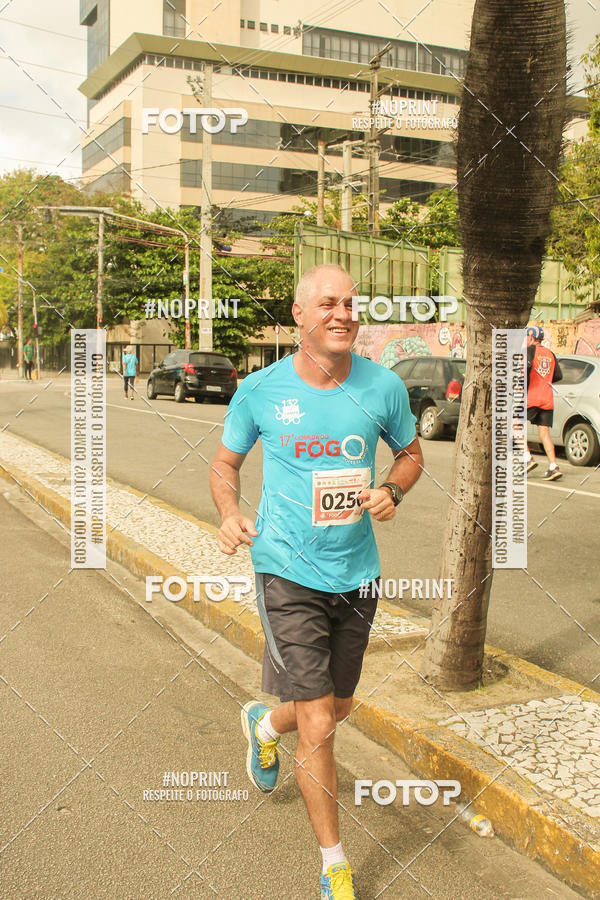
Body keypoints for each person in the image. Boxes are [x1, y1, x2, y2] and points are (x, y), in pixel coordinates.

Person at [209, 264, 423, 899]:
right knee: (322, 723)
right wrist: (229, 514)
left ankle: (266, 726)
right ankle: (335, 864)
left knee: (338, 705)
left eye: (351, 304)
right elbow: (225, 464)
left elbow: (411, 453)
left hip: (356, 573)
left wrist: (391, 490)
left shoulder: (384, 386)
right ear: (299, 315)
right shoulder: (261, 390)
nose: (343, 314)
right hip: (285, 570)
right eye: (328, 303)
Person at [525, 325, 563, 480]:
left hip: (531, 397)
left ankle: (527, 458)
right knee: (544, 433)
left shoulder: (529, 352)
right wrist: (544, 379)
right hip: (547, 399)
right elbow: (558, 376)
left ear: (532, 338)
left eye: (526, 337)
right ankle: (554, 466)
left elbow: (524, 369)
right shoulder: (550, 354)